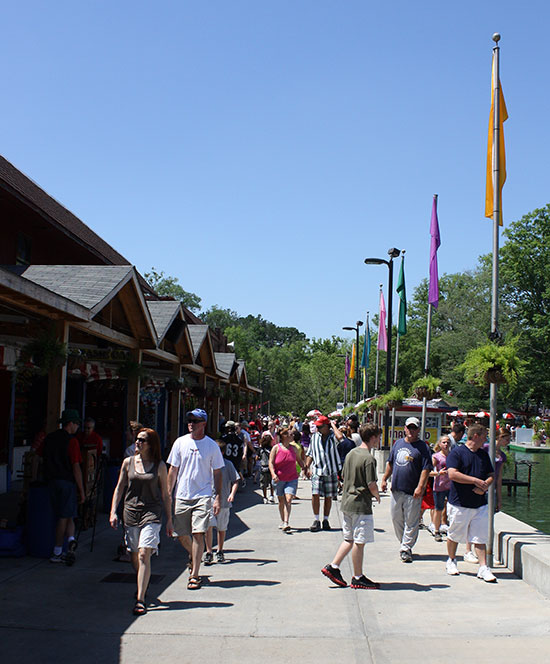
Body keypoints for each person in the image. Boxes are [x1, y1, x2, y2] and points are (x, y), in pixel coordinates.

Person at [109, 428, 173, 615]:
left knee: (145, 554)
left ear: (151, 444)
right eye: (137, 439)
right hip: (130, 513)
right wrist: (113, 511)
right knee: (135, 554)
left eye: (142, 440)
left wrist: (169, 519)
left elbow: (165, 495)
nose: (138, 443)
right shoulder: (127, 463)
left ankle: (141, 599)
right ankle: (141, 583)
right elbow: (119, 488)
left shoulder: (159, 465)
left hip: (151, 513)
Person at [167, 409, 224, 590]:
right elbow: (173, 469)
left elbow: (217, 472)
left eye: (195, 420)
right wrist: (168, 493)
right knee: (181, 534)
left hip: (203, 495)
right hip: (182, 494)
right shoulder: (180, 442)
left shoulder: (211, 446)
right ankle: (194, 554)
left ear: (204, 424)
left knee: (198, 532)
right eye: (189, 420)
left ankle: (195, 575)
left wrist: (217, 497)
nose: (191, 423)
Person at [322, 424, 381, 589]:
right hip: (361, 504)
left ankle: (333, 566)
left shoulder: (351, 454)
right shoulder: (369, 458)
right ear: (373, 437)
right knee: (359, 541)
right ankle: (358, 576)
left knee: (348, 538)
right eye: (377, 437)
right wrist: (376, 495)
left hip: (347, 501)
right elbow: (371, 483)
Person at [445, 423, 496, 582]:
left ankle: (483, 567)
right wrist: (475, 481)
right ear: (475, 436)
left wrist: (485, 485)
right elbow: (452, 474)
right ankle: (452, 560)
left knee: (480, 538)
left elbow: (491, 474)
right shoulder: (457, 453)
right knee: (454, 534)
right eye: (484, 436)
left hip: (480, 504)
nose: (485, 440)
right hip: (459, 503)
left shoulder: (483, 455)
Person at [381, 416, 432, 562]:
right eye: (409, 427)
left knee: (411, 520)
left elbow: (426, 469)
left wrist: (420, 487)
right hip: (397, 488)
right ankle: (404, 543)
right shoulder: (398, 444)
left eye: (414, 428)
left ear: (418, 430)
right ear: (404, 428)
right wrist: (384, 479)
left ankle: (406, 547)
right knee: (396, 518)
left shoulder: (423, 447)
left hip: (413, 491)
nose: (411, 430)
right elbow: (390, 463)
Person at [39, 409, 86, 565]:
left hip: (50, 481)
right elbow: (76, 467)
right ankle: (57, 551)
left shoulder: (49, 438)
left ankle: (71, 540)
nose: (78, 427)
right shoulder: (72, 442)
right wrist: (81, 489)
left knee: (69, 513)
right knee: (63, 517)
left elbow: (38, 457)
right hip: (66, 482)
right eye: (77, 423)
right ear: (70, 424)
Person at [204, 440, 240, 565]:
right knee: (208, 527)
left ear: (222, 452)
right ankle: (209, 551)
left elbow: (235, 480)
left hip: (224, 501)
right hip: (208, 501)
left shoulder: (227, 464)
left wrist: (232, 494)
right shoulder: (206, 464)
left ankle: (220, 550)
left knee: (221, 528)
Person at [305, 415, 342, 532]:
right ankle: (316, 519)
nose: (318, 429)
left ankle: (325, 519)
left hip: (331, 470)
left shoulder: (333, 436)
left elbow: (340, 437)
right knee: (315, 494)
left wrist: (332, 425)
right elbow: (310, 453)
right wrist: (306, 466)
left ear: (327, 426)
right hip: (317, 470)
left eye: (320, 427)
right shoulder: (314, 437)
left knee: (328, 496)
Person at [269, 427, 306, 532]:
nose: (293, 436)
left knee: (288, 499)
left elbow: (299, 460)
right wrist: (273, 474)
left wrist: (304, 468)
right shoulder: (276, 448)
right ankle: (282, 520)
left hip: (292, 478)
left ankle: (286, 522)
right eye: (291, 435)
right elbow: (270, 463)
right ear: (285, 436)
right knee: (281, 500)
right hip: (279, 478)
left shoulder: (293, 448)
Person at [432, 435, 452, 542]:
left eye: (448, 442)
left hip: (451, 486)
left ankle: (450, 529)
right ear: (440, 444)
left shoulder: (453, 455)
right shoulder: (436, 456)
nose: (446, 444)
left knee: (452, 508)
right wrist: (439, 473)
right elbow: (429, 472)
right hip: (439, 486)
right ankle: (436, 530)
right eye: (443, 442)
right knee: (438, 508)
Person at [258, 433, 275, 503]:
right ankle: (271, 496)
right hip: (271, 468)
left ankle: (264, 497)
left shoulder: (260, 449)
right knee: (272, 483)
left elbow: (257, 457)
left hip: (263, 467)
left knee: (263, 484)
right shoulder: (272, 449)